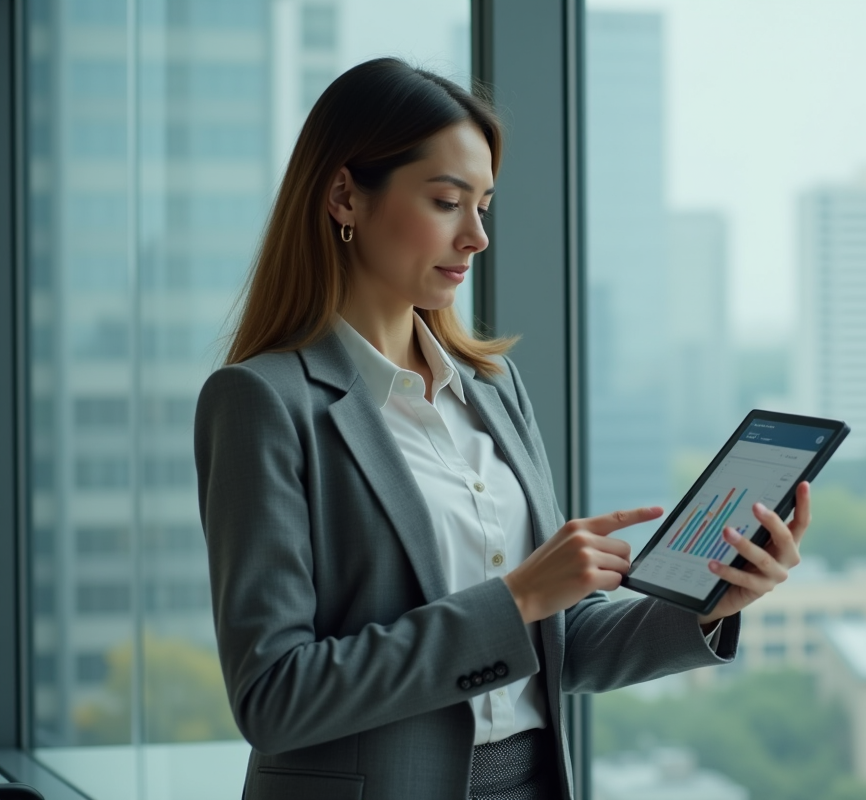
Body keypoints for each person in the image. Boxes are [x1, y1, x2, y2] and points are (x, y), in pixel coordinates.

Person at [194, 57, 812, 800]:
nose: (477, 236)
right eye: (448, 201)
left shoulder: (491, 387)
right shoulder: (262, 402)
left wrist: (712, 607)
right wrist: (514, 599)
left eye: (484, 204)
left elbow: (559, 644)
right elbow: (275, 696)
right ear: (343, 196)